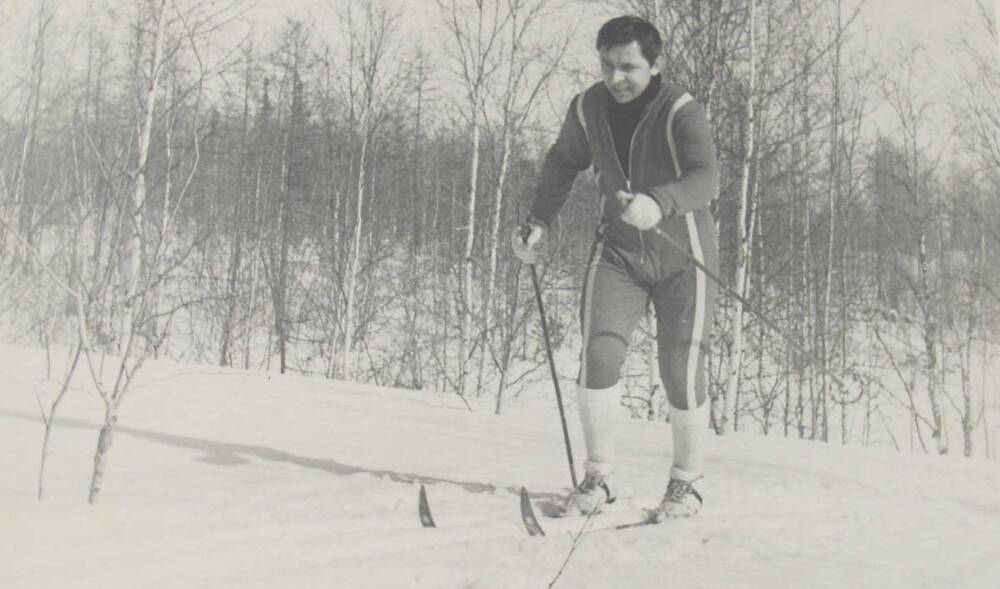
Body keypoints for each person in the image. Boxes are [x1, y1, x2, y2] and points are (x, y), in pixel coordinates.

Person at [511, 15, 719, 520]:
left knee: (680, 368)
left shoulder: (680, 110)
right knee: (598, 356)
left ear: (655, 64)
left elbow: (706, 179)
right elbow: (563, 162)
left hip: (682, 256)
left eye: (628, 67)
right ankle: (598, 477)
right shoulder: (588, 108)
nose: (616, 78)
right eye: (607, 65)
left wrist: (659, 202)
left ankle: (685, 486)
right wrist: (538, 221)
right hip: (619, 254)